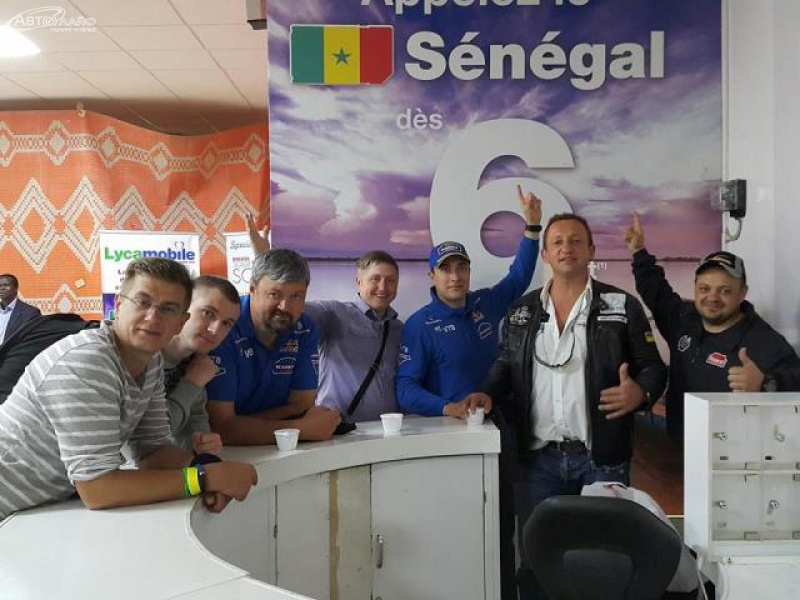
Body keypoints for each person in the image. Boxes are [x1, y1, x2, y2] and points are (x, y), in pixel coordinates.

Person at [469, 213, 667, 599]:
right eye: (557, 241)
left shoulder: (621, 304)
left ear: (591, 250)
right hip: (536, 463)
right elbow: (505, 365)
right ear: (545, 253)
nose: (567, 248)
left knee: (606, 559)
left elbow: (653, 368)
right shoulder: (522, 310)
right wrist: (485, 392)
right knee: (538, 561)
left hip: (602, 459)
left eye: (576, 241)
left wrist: (641, 394)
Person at [0, 258, 257, 522]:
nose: (152, 317)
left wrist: (210, 468)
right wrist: (204, 478)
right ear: (119, 306)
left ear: (180, 322)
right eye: (142, 302)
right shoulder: (88, 360)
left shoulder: (151, 361)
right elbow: (98, 489)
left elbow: (151, 451)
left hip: (32, 511)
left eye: (168, 309)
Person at [624, 212, 800, 441]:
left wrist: (766, 384)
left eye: (724, 290)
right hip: (680, 443)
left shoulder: (763, 340)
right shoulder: (683, 318)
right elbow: (655, 291)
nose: (712, 298)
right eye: (704, 289)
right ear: (695, 288)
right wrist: (639, 251)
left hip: (731, 453)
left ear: (742, 293)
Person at [396, 185, 542, 418]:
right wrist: (449, 408)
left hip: (497, 422)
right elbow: (405, 389)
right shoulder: (419, 324)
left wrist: (532, 228)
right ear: (432, 275)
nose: (455, 277)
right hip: (453, 429)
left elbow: (519, 277)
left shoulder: (484, 302)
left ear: (469, 271)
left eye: (462, 267)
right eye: (445, 269)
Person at [247, 216, 403, 422]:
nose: (383, 287)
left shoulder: (399, 328)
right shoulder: (334, 313)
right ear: (358, 283)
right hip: (339, 429)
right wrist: (263, 258)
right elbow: (289, 308)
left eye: (390, 281)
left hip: (388, 429)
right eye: (375, 279)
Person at [206, 248, 341, 445]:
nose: (285, 306)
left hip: (277, 448)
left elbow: (301, 405)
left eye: (296, 296)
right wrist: (301, 429)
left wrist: (243, 425)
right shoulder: (225, 325)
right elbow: (221, 428)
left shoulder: (304, 328)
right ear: (252, 289)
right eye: (274, 294)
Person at [163, 275, 241, 453]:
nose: (215, 330)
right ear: (182, 308)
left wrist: (203, 442)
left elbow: (195, 419)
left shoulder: (198, 361)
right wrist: (192, 383)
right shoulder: (147, 354)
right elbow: (150, 434)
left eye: (226, 323)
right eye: (208, 313)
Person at [0, 274, 41, 345]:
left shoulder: (30, 313)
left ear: (16, 288)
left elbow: (33, 341)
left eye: (6, 285)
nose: (2, 288)